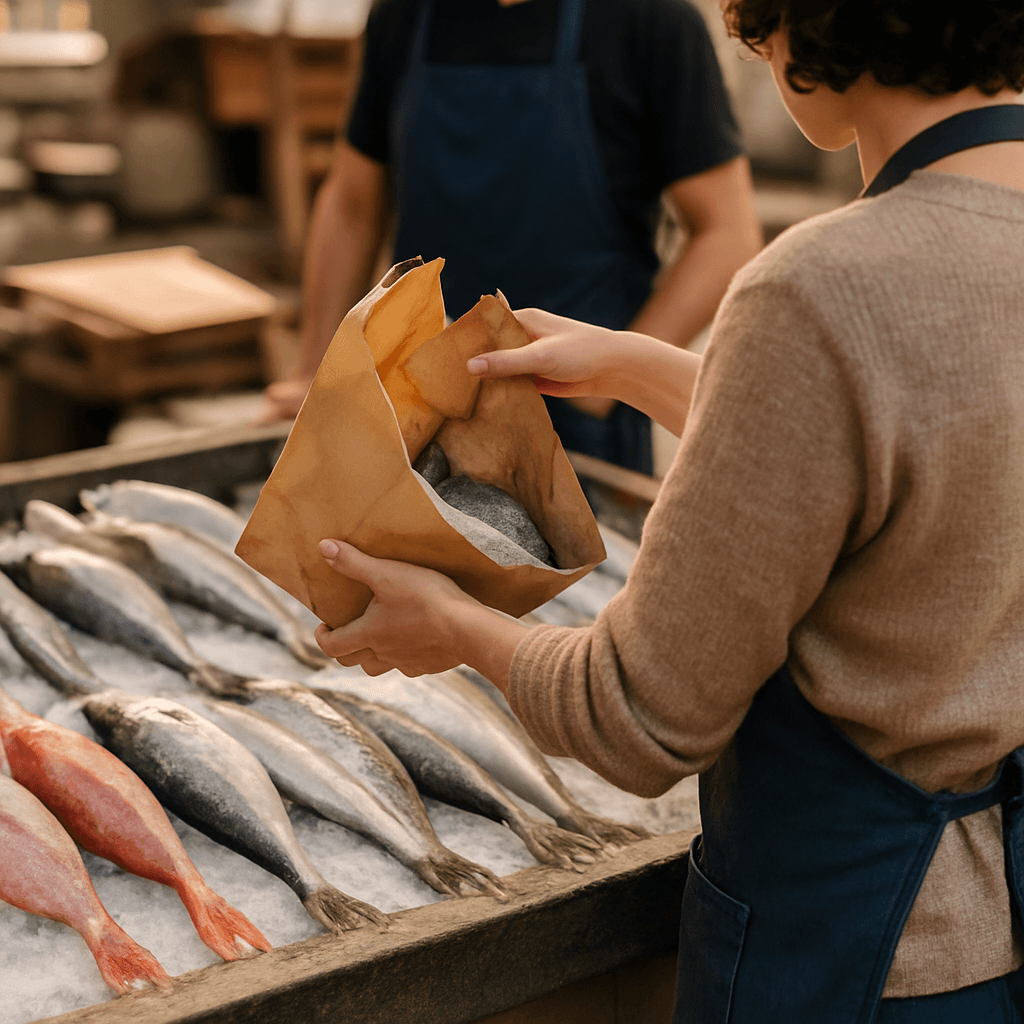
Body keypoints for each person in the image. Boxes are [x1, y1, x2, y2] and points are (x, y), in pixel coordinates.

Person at [310, 0, 1024, 1020]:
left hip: (849, 956)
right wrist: (646, 366)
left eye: (759, 27)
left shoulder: (819, 287)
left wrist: (457, 626)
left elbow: (638, 714)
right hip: (993, 934)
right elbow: (933, 464)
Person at [260, 0, 763, 475]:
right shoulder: (403, 13)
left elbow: (727, 235)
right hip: (415, 407)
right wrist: (314, 374)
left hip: (579, 433)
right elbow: (352, 204)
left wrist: (615, 377)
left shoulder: (653, 20)